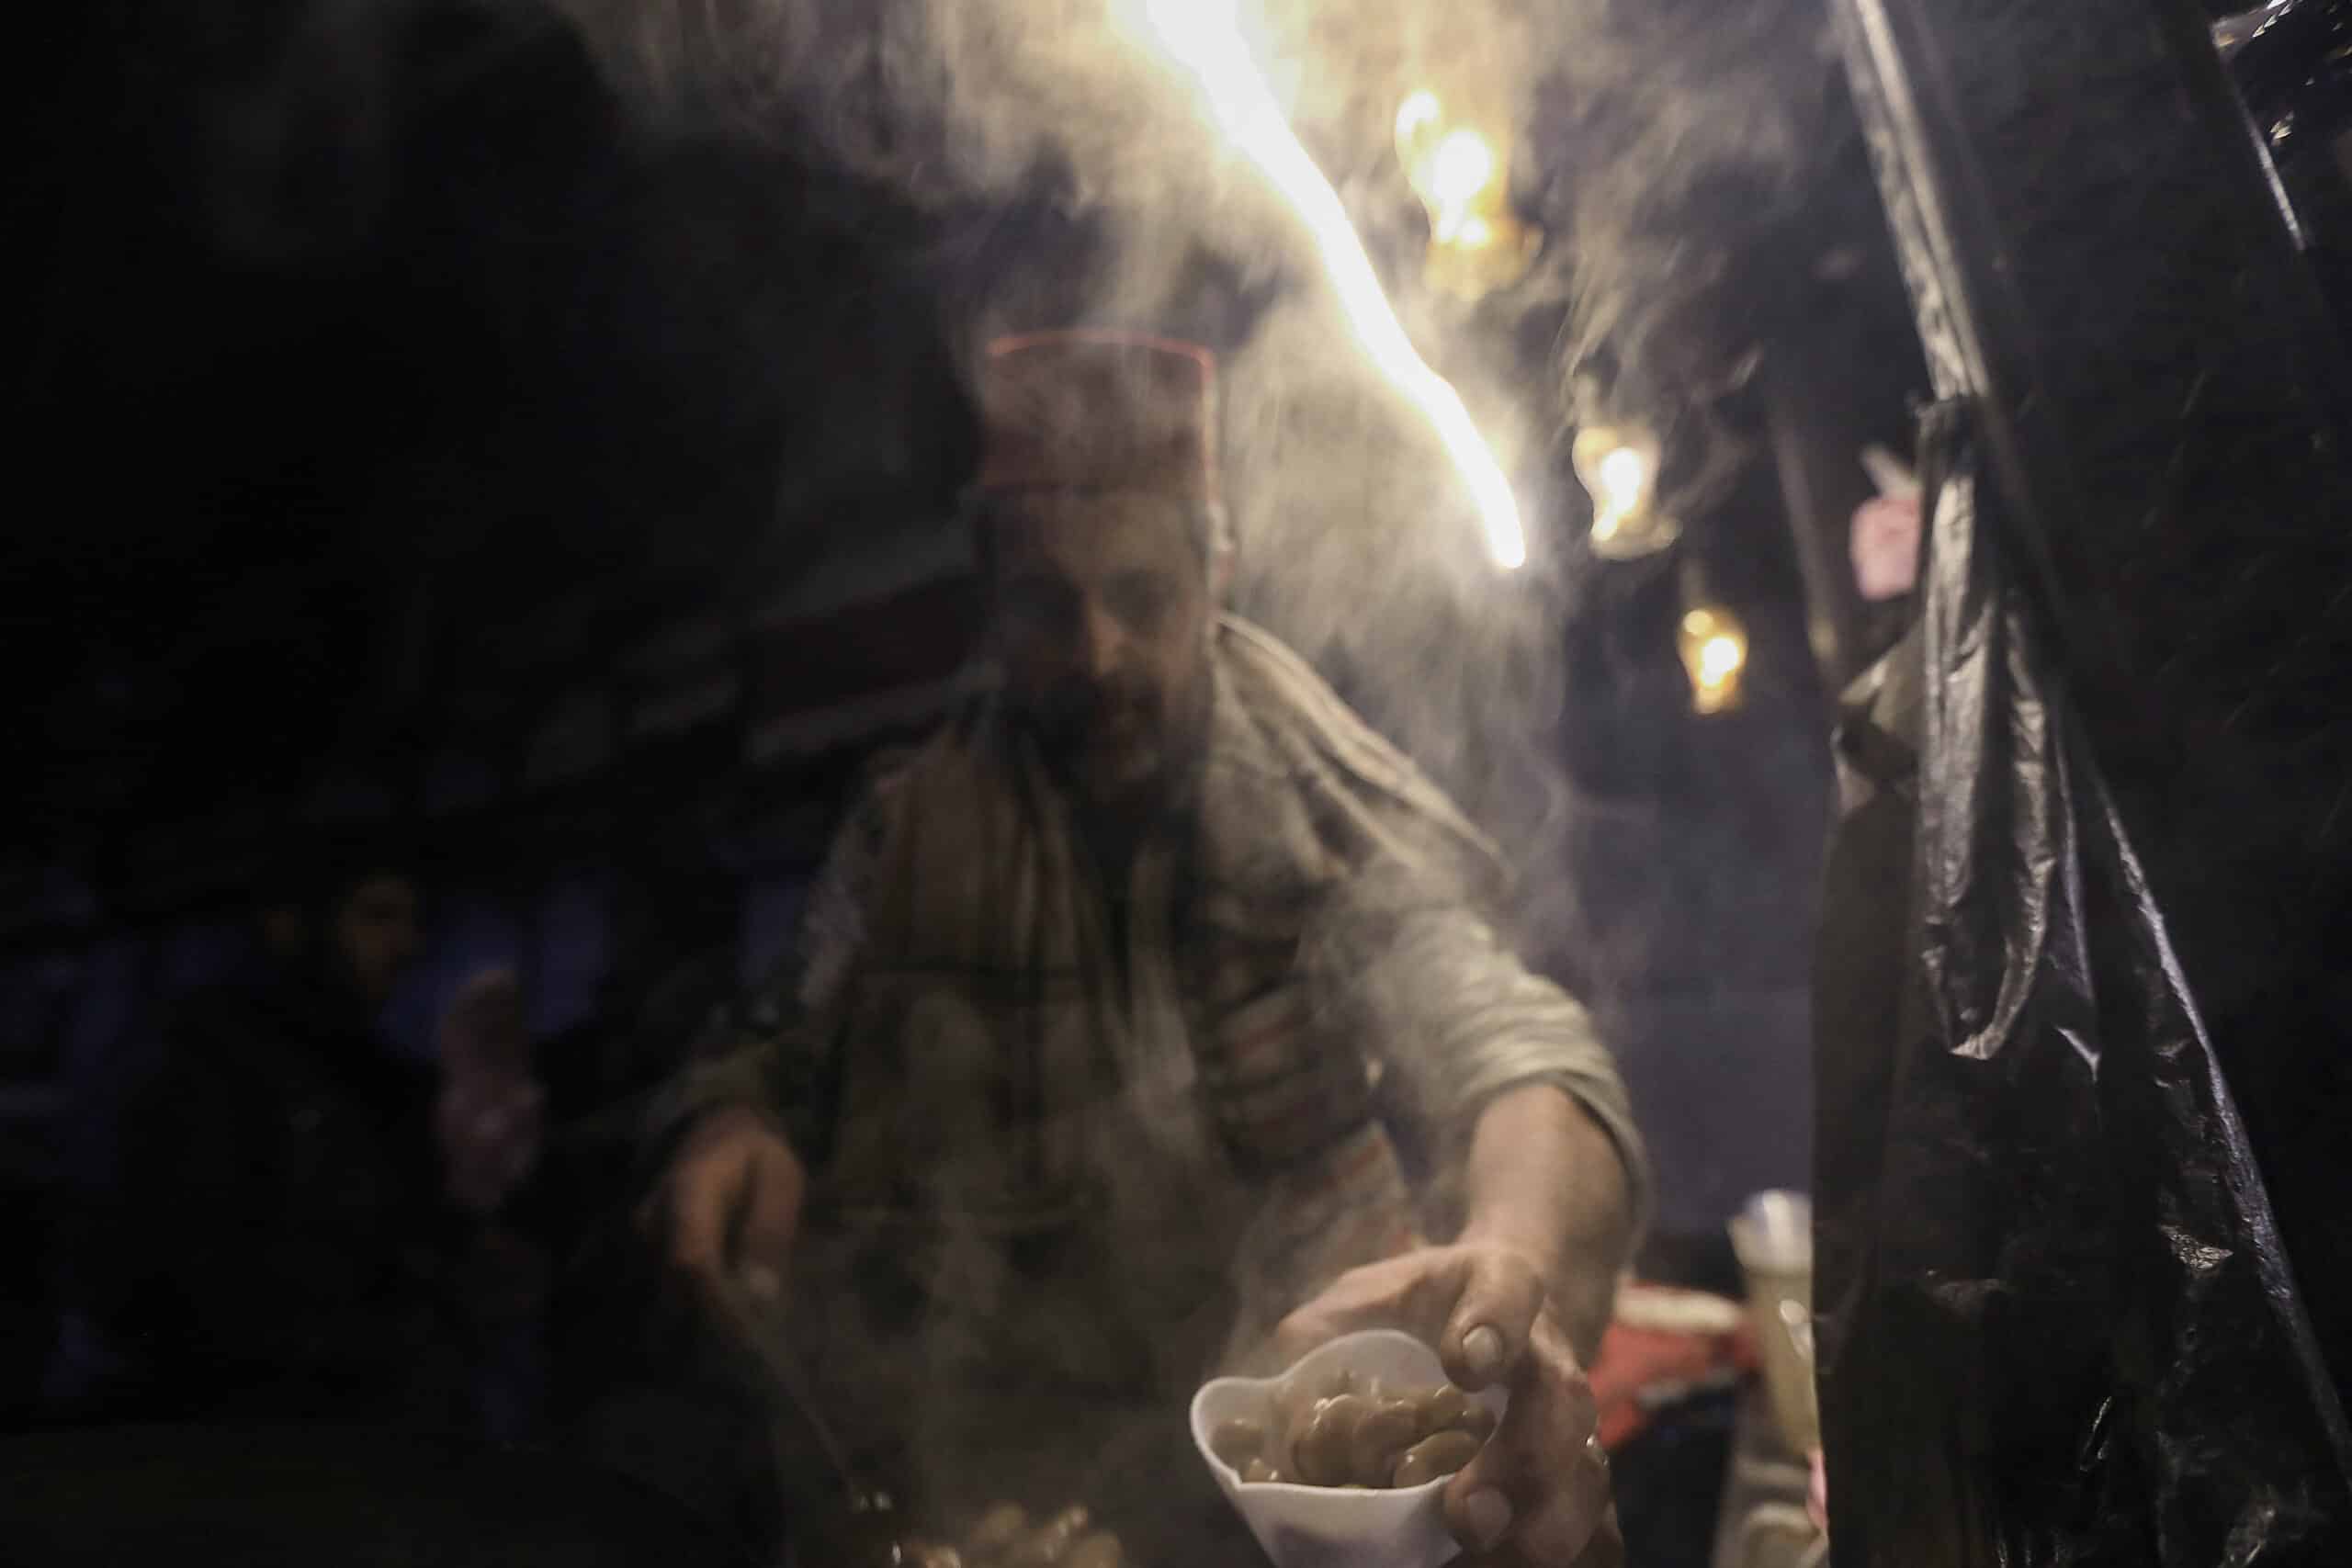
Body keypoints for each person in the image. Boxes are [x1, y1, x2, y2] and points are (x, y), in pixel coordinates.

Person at [652, 331, 1648, 1565]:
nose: (1098, 654)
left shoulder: (1315, 809)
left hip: (1299, 1475)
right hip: (995, 1474)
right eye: (1044, 605)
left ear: (1213, 582)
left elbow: (1519, 1053)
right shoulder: (906, 832)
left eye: (1141, 598)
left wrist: (1513, 1256)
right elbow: (774, 1048)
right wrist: (734, 1129)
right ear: (992, 607)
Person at [62, 835, 458, 1425]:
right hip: (224, 1427)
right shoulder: (201, 1061)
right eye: (377, 916)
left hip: (351, 1422)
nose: (406, 945)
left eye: (413, 921)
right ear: (290, 926)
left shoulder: (383, 1082)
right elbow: (177, 1277)